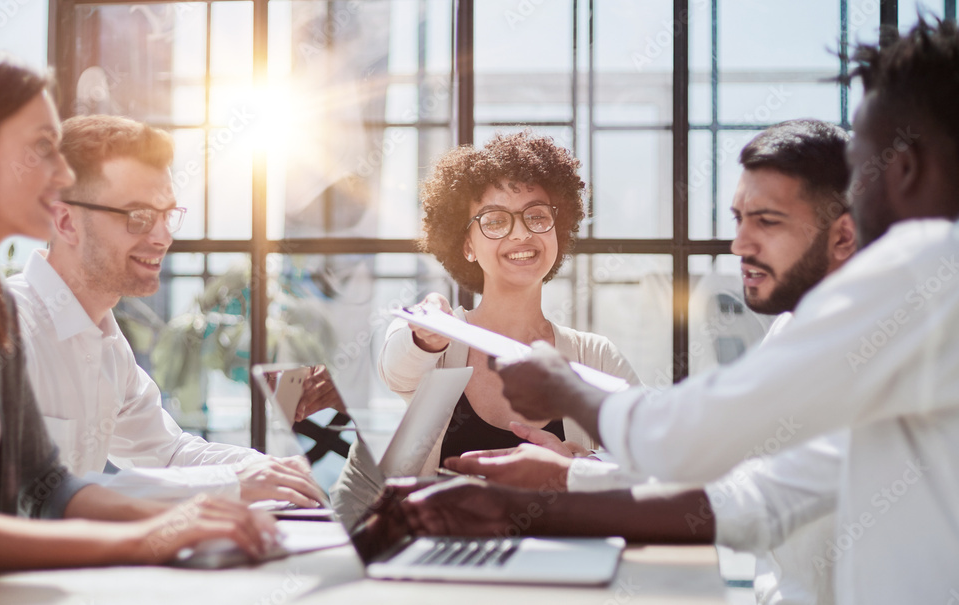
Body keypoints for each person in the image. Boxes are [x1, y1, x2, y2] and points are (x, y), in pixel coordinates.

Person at [409, 18, 959, 605]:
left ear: (901, 169)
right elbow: (756, 499)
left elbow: (690, 438)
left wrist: (568, 392)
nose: (739, 246)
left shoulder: (926, 265)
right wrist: (548, 490)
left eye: (864, 163)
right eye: (737, 219)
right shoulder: (832, 329)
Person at [412, 119, 856, 605]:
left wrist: (563, 460)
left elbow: (730, 488)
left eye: (767, 221)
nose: (739, 245)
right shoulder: (792, 333)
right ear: (466, 243)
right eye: (738, 220)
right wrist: (567, 474)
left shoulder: (858, 341)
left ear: (842, 236)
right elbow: (711, 465)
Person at [0, 48, 273, 570]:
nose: (61, 172)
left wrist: (195, 514)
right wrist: (144, 537)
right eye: (43, 148)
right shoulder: (15, 316)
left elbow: (46, 483)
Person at [4, 113, 326, 507]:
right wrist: (231, 483)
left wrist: (269, 469)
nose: (163, 237)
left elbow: (168, 453)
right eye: (139, 217)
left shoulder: (105, 341)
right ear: (67, 222)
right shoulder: (4, 331)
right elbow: (28, 499)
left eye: (166, 215)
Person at [329, 132, 640, 525]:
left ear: (557, 230)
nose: (521, 233)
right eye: (495, 220)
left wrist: (579, 466)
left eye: (537, 215)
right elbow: (396, 368)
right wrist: (426, 338)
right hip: (445, 566)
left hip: (562, 568)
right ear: (467, 245)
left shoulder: (596, 357)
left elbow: (655, 460)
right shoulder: (439, 337)